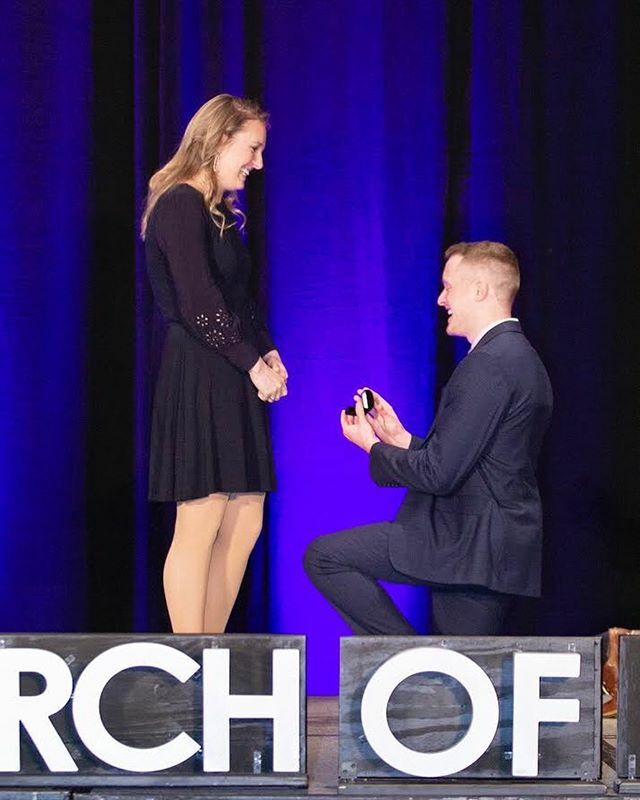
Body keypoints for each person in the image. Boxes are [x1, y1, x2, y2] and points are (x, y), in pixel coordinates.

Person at [304, 241, 552, 636]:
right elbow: (473, 461)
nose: (441, 300)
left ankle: (410, 662)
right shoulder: (515, 356)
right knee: (462, 679)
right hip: (478, 542)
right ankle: (414, 665)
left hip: (467, 545)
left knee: (325, 557)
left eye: (448, 287)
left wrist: (373, 446)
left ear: (479, 290)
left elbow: (441, 474)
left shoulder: (488, 364)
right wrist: (400, 438)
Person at [141, 94, 287, 634]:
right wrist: (251, 364)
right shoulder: (179, 202)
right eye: (252, 148)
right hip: (201, 369)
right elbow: (199, 302)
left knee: (245, 517)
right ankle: (192, 659)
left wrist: (266, 348)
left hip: (230, 365)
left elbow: (237, 298)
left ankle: (214, 652)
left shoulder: (219, 212)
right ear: (219, 139)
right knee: (200, 518)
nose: (258, 162)